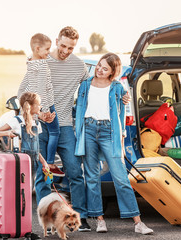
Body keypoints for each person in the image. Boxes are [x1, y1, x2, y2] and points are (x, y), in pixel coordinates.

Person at [17, 26, 92, 231]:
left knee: (75, 172)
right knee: (42, 174)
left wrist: (121, 95)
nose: (66, 51)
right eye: (63, 45)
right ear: (57, 40)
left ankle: (81, 217)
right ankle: (48, 221)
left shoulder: (79, 66)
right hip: (41, 126)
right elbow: (21, 93)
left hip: (65, 125)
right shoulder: (41, 61)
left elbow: (94, 88)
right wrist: (38, 113)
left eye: (71, 47)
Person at [74, 53, 154, 235]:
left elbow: (123, 112)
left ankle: (138, 222)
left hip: (109, 132)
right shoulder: (85, 84)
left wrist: (122, 134)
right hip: (88, 129)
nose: (99, 70)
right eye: (99, 66)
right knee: (92, 178)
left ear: (112, 72)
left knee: (121, 177)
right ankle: (99, 220)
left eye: (105, 68)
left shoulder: (117, 87)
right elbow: (79, 108)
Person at [0, 92, 48, 240]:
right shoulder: (16, 121)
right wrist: (9, 132)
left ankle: (25, 229)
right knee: (18, 195)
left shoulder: (37, 124)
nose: (41, 106)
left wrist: (44, 163)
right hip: (21, 163)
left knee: (27, 197)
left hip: (33, 162)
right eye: (39, 104)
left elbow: (37, 149)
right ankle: (11, 226)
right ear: (30, 106)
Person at [17, 33, 64, 177]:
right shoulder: (42, 66)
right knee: (55, 132)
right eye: (47, 49)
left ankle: (43, 163)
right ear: (37, 49)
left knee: (42, 135)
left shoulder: (30, 63)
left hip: (36, 106)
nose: (49, 52)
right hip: (47, 104)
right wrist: (43, 111)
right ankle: (49, 162)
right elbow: (42, 89)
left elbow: (22, 88)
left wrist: (25, 103)